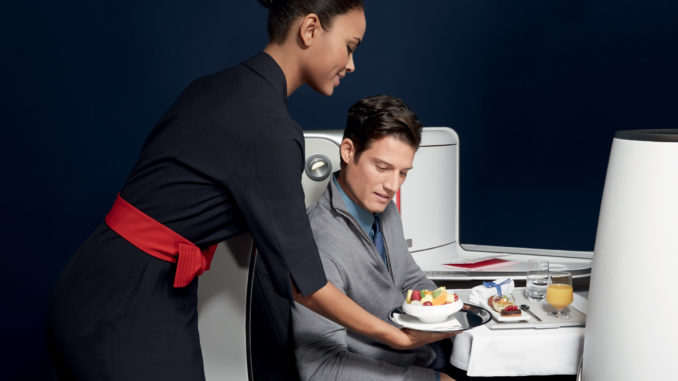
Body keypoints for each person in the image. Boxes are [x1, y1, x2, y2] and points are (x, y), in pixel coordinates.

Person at [47, 1, 453, 380]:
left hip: (123, 285)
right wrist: (395, 336)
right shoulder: (271, 130)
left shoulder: (216, 88)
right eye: (349, 47)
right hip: (125, 303)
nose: (350, 63)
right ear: (310, 28)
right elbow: (305, 283)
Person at [293, 95, 457, 381]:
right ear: (348, 151)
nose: (393, 185)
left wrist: (450, 309)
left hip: (430, 351)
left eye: (403, 172)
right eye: (382, 168)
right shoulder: (319, 242)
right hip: (400, 371)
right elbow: (321, 369)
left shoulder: (381, 204)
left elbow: (407, 278)